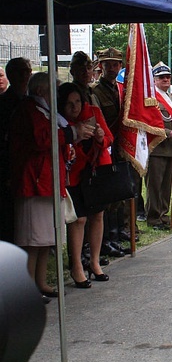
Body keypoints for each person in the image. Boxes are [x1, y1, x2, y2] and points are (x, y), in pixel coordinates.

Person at [10, 73, 93, 300]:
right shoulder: (30, 110)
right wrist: (72, 133)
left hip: (47, 180)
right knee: (32, 239)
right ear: (40, 92)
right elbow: (42, 139)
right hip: (33, 181)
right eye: (53, 91)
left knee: (45, 237)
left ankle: (40, 282)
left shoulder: (44, 111)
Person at [58, 82, 113, 288]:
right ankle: (76, 266)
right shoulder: (60, 121)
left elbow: (109, 138)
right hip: (73, 174)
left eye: (78, 102)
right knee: (78, 219)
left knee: (97, 215)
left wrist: (100, 138)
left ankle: (95, 262)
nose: (75, 107)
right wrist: (76, 136)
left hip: (95, 172)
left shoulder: (93, 112)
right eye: (69, 104)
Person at [92, 47, 129, 258]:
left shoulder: (123, 90)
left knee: (120, 193)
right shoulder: (95, 91)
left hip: (120, 147)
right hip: (105, 147)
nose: (112, 68)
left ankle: (116, 236)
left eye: (115, 64)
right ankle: (106, 239)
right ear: (101, 66)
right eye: (107, 64)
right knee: (107, 195)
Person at [145, 63, 172, 230]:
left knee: (167, 185)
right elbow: (148, 123)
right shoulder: (152, 99)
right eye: (161, 77)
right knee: (155, 185)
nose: (166, 79)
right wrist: (168, 133)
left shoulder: (170, 98)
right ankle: (153, 217)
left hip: (170, 148)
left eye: (168, 76)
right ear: (154, 80)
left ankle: (163, 215)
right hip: (157, 148)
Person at [0, 57, 33, 243]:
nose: (23, 76)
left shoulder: (32, 101)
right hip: (10, 167)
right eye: (19, 72)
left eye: (26, 72)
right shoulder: (5, 103)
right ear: (11, 75)